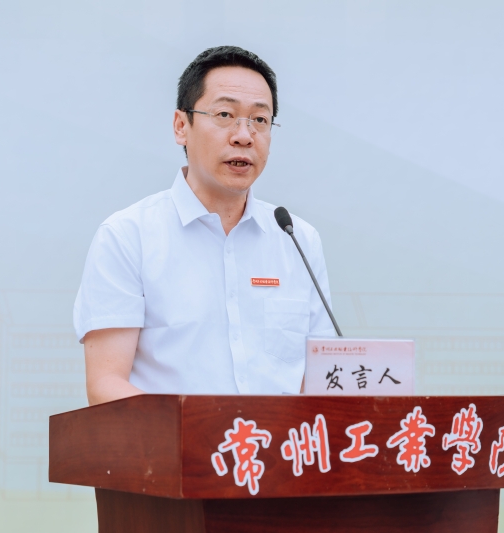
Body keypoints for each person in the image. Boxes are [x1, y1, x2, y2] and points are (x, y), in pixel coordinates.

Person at [74, 46, 336, 405]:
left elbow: (320, 382)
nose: (244, 135)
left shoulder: (297, 239)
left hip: (279, 443)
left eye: (260, 120)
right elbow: (106, 385)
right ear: (181, 126)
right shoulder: (128, 236)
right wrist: (201, 432)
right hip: (174, 442)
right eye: (225, 114)